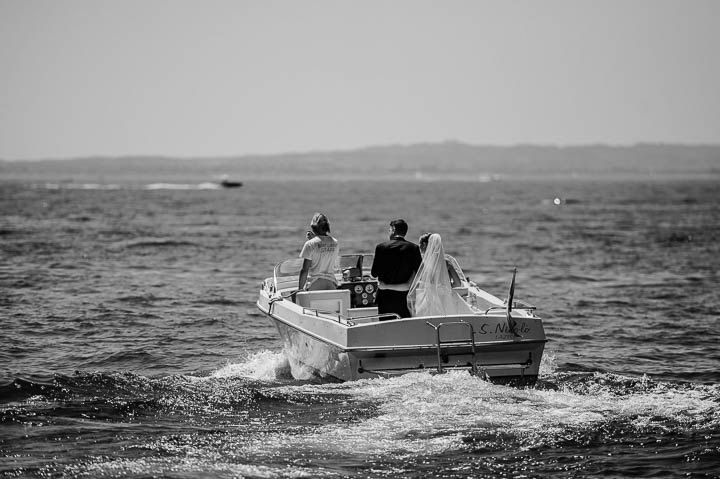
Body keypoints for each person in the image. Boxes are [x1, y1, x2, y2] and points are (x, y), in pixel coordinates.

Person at [407, 233, 475, 317]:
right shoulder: (447, 263)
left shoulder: (423, 264)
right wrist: (446, 287)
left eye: (420, 245)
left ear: (424, 245)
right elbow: (458, 283)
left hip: (428, 299)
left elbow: (417, 283)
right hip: (446, 297)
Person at [371, 219, 422, 318]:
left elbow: (374, 273)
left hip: (385, 297)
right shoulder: (413, 248)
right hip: (404, 297)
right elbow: (419, 272)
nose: (389, 233)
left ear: (393, 230)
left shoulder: (381, 247)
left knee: (386, 327)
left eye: (389, 230)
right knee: (404, 327)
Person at [298, 213, 339, 292]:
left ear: (313, 227)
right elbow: (324, 250)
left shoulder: (310, 244)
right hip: (331, 284)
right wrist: (315, 238)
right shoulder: (335, 242)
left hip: (315, 284)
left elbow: (305, 270)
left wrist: (299, 289)